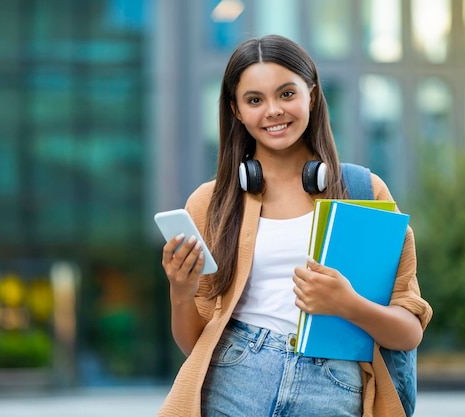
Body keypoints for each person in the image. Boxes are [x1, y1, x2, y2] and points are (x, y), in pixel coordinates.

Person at [156, 34, 432, 417]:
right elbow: (194, 346)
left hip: (332, 387)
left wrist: (347, 304)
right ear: (236, 110)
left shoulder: (363, 192)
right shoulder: (211, 202)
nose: (273, 111)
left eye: (287, 94)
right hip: (234, 379)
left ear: (312, 96)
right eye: (255, 100)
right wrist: (181, 292)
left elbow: (409, 332)